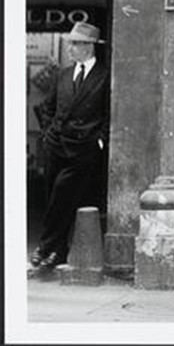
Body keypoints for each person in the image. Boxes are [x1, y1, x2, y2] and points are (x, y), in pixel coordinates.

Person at [30, 21, 110, 271]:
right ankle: (58, 253)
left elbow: (109, 114)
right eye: (71, 44)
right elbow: (46, 107)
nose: (71, 48)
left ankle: (45, 246)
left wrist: (99, 140)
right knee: (54, 197)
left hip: (82, 149)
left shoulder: (104, 76)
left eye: (75, 44)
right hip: (57, 147)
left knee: (62, 195)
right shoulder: (63, 74)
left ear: (88, 47)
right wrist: (47, 133)